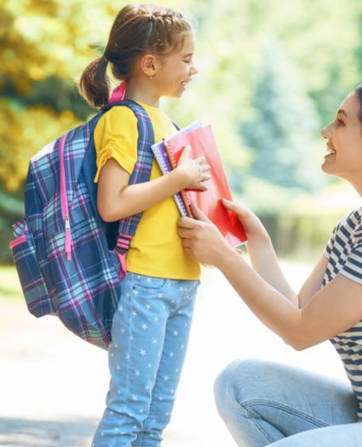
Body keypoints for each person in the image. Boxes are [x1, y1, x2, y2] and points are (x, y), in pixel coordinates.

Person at [178, 81, 362, 446]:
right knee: (239, 384)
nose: (326, 132)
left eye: (341, 123)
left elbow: (300, 333)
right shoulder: (357, 223)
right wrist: (259, 244)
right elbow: (299, 310)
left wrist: (223, 259)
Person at [78, 4, 211, 446]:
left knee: (155, 416)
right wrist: (179, 178)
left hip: (182, 283)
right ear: (150, 64)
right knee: (129, 410)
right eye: (187, 58)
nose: (194, 68)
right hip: (145, 284)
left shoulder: (169, 123)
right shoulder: (123, 119)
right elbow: (112, 204)